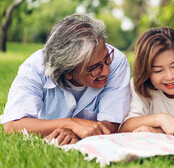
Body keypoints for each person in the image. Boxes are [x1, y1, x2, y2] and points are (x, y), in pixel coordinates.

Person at [1, 14, 131, 145]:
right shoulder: (34, 68)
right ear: (67, 71)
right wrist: (70, 124)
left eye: (106, 59)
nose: (107, 71)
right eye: (95, 67)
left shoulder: (118, 62)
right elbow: (12, 126)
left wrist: (74, 132)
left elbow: (112, 123)